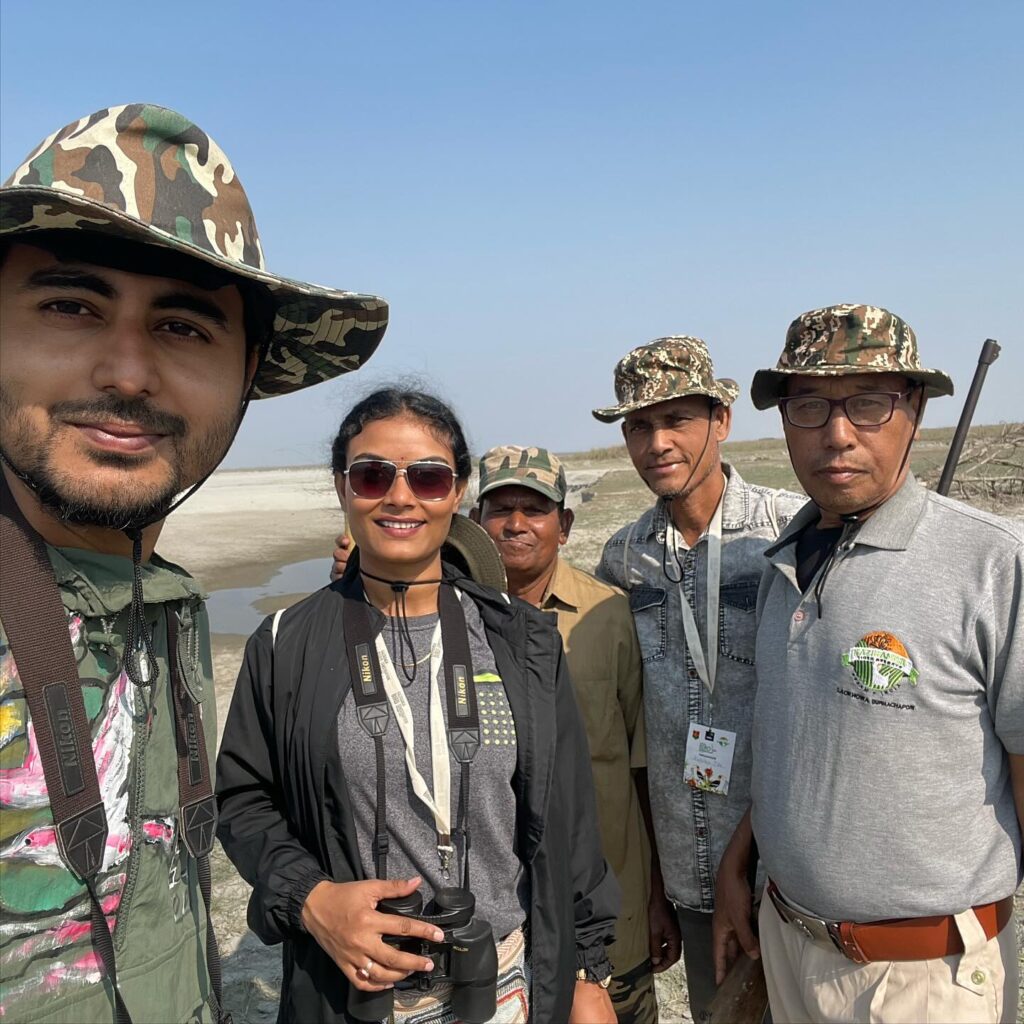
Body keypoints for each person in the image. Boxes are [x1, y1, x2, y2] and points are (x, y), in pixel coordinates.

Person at [0, 104, 388, 1023]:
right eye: (70, 305)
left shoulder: (165, 599)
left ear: (247, 371)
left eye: (183, 327)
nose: (129, 371)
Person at [216, 389, 620, 1024]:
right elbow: (244, 801)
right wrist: (311, 899)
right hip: (354, 994)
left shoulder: (523, 641)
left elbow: (568, 823)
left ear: (456, 492)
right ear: (342, 486)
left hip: (507, 984)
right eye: (373, 474)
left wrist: (588, 973)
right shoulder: (284, 644)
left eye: (428, 477)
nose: (399, 497)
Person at [712, 304, 1023, 1023]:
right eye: (810, 406)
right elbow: (801, 742)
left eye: (869, 403)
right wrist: (741, 860)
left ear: (913, 410)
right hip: (787, 946)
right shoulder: (781, 565)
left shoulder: (992, 564)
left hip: (925, 978)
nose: (837, 434)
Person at [591, 337, 804, 1023]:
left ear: (722, 419)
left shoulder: (787, 531)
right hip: (686, 869)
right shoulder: (623, 557)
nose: (657, 442)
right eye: (639, 426)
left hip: (787, 870)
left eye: (677, 419)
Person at [470, 445, 679, 1024]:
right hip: (500, 916)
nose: (515, 524)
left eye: (535, 509)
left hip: (606, 905)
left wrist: (656, 897)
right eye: (500, 508)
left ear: (564, 525)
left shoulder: (608, 616)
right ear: (474, 523)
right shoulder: (446, 615)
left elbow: (642, 771)